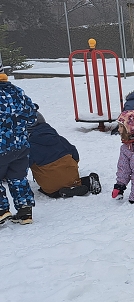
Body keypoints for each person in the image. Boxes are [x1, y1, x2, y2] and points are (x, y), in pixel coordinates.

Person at [28, 112, 102, 198]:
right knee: (72, 179)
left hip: (50, 187)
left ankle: (60, 192)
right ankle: (86, 182)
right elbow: (75, 154)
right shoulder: (59, 139)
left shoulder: (28, 146)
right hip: (71, 177)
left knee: (51, 188)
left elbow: (22, 167)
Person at [0, 72, 37, 224]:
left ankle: (2, 210)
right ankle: (25, 211)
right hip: (20, 146)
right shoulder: (18, 92)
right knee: (18, 178)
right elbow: (32, 116)